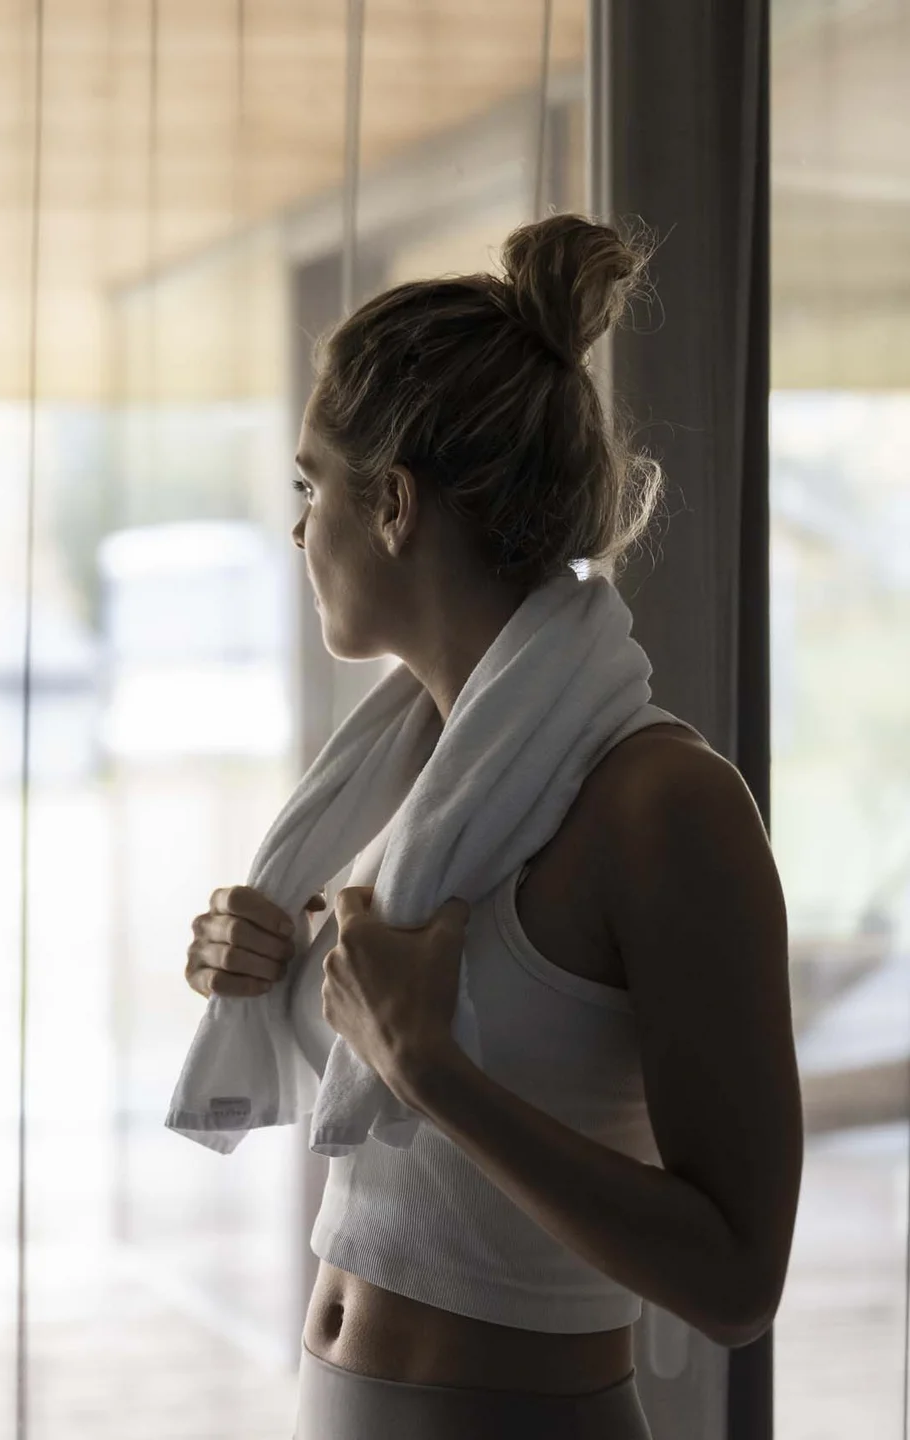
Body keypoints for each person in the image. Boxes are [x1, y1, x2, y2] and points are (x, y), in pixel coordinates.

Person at [182, 214, 803, 1439]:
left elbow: (738, 1281)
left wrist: (433, 1074)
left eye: (312, 486)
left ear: (396, 503)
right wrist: (260, 961)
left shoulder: (663, 808)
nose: (301, 530)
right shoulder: (410, 786)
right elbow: (379, 1043)